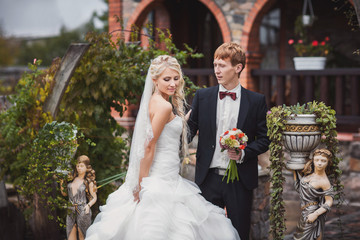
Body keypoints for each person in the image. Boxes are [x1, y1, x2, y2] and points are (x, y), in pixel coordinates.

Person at [85, 55, 240, 240]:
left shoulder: (155, 101)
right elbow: (149, 147)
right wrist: (142, 185)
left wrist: (184, 119)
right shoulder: (164, 107)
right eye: (167, 79)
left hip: (169, 176)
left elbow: (165, 132)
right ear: (154, 80)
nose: (173, 84)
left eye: (176, 78)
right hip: (160, 179)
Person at [188, 42, 270, 240]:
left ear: (238, 67)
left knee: (239, 233)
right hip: (208, 177)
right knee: (207, 234)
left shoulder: (256, 101)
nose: (217, 70)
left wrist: (244, 152)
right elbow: (189, 130)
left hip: (239, 180)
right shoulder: (202, 96)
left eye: (222, 65)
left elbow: (264, 139)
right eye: (215, 65)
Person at [293, 148, 335, 240]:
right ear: (313, 161)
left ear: (328, 163)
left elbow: (329, 201)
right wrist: (295, 171)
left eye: (323, 161)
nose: (319, 163)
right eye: (317, 160)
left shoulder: (324, 181)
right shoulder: (309, 174)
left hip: (312, 211)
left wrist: (315, 214)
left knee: (309, 237)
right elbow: (300, 189)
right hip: (304, 210)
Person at [60, 155, 97, 240]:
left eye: (81, 166)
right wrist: (61, 181)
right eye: (77, 166)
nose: (79, 168)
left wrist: (88, 205)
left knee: (82, 237)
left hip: (83, 210)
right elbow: (65, 194)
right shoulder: (71, 179)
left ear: (86, 167)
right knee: (70, 236)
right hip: (70, 211)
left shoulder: (88, 182)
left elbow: (94, 198)